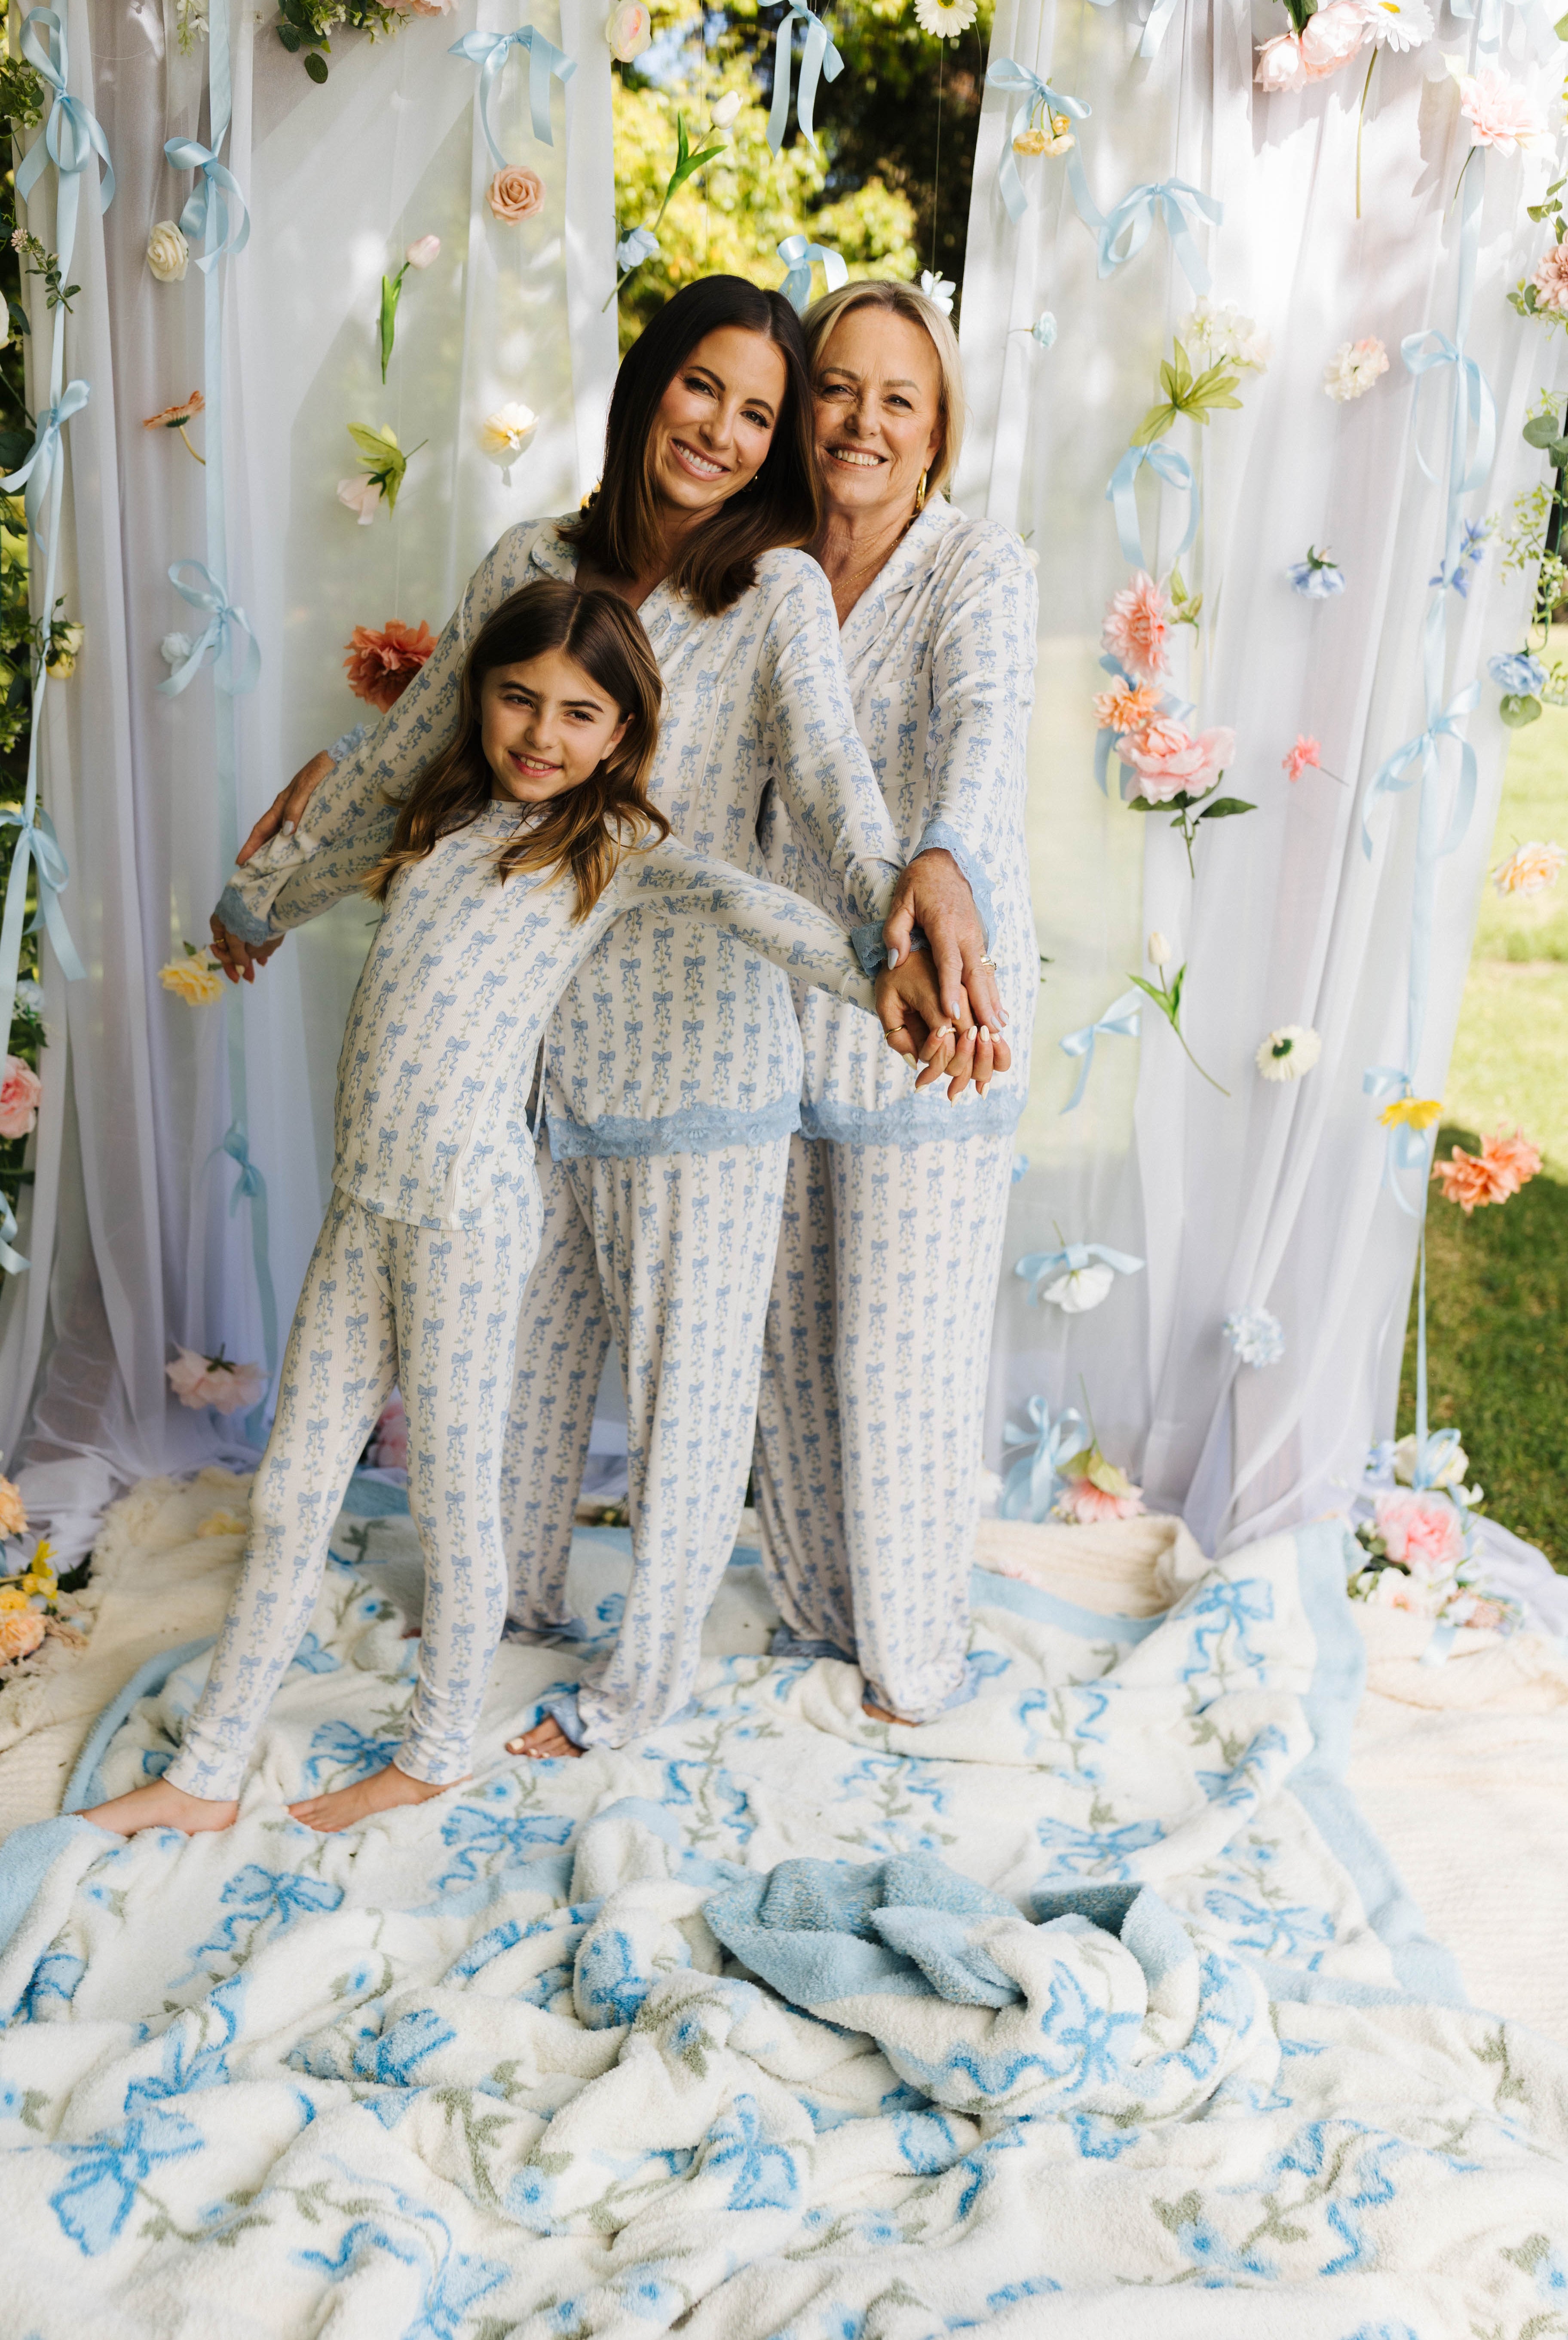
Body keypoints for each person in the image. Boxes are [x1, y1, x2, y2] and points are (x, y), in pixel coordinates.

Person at [209, 276, 1000, 1763]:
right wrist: (266, 897)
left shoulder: (770, 595)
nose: (722, 428)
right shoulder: (533, 558)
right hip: (531, 1065)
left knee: (694, 1412)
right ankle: (487, 1632)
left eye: (761, 413)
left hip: (709, 1062)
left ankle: (638, 1695)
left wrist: (901, 910)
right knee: (500, 1407)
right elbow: (412, 749)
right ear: (651, 385)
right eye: (703, 387)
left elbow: (832, 784)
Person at [83, 580, 879, 1839]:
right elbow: (340, 835)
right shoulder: (446, 814)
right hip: (366, 1205)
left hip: (466, 1216)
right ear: (480, 696)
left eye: (578, 712)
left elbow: (751, 905)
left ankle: (439, 1746)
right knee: (293, 1485)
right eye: (518, 697)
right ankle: (208, 1766)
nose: (542, 733)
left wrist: (885, 970)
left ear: (619, 734)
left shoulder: (612, 849)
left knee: (457, 1491)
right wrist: (259, 902)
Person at [751, 279, 1040, 1726]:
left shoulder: (978, 567)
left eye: (898, 399)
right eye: (836, 388)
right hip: (766, 1001)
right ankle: (818, 1617)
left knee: (902, 1353)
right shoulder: (753, 563)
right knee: (781, 1340)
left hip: (935, 1005)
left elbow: (987, 724)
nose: (861, 420)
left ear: (938, 436)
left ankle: (913, 1665)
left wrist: (949, 859)